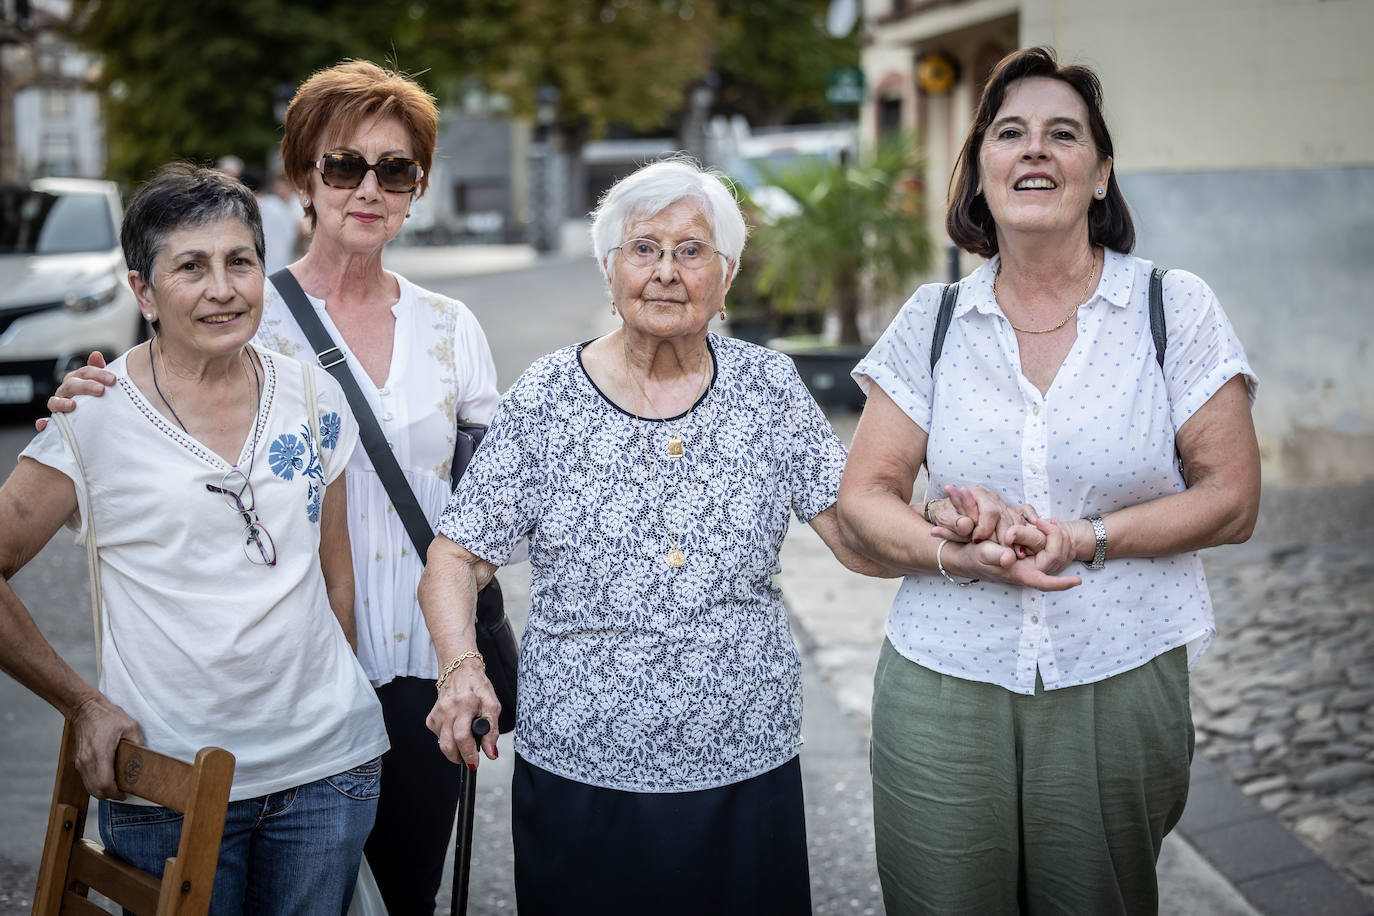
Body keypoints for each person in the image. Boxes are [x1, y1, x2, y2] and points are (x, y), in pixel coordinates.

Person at [43, 60, 501, 915]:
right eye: (343, 165)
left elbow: (499, 488)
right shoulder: (242, 304)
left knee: (402, 898)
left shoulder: (450, 327)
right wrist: (84, 396)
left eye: (394, 170)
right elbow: (148, 393)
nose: (368, 188)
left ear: (416, 188)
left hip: (421, 670)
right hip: (293, 684)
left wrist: (468, 616)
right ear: (303, 178)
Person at [835, 46, 1261, 914]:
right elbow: (864, 500)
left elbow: (1232, 497)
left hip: (1118, 666)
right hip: (944, 676)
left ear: (1100, 174)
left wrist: (1084, 539)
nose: (1035, 150)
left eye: (1063, 135)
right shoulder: (934, 319)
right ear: (981, 172)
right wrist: (955, 547)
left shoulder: (1171, 309)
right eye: (1010, 133)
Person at [419, 156, 898, 915]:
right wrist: (460, 670)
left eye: (691, 250)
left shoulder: (768, 388)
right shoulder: (547, 396)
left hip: (743, 758)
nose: (666, 271)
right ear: (609, 272)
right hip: (584, 765)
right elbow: (455, 555)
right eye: (644, 249)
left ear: (728, 274)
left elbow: (854, 535)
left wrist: (947, 535)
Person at [0, 163, 387, 914]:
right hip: (168, 787)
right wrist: (83, 706)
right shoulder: (94, 420)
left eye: (240, 261)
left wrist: (335, 711)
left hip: (329, 776)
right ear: (143, 292)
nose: (223, 289)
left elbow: (335, 578)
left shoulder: (312, 395)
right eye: (191, 267)